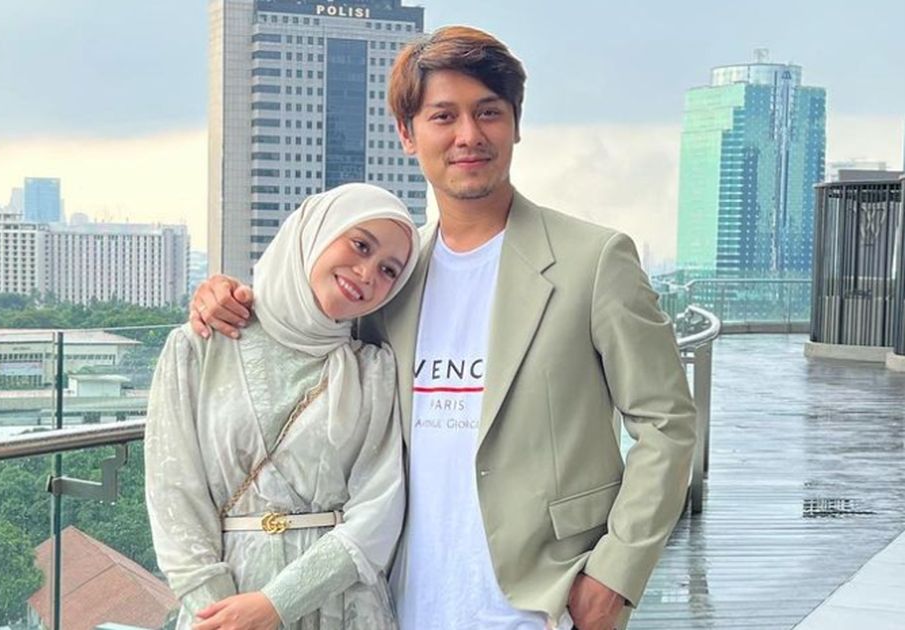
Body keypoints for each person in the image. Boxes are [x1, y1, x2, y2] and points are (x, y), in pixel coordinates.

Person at [191, 26, 696, 630]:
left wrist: (615, 574)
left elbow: (667, 423)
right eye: (443, 116)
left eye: (489, 112)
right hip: (400, 603)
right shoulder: (390, 280)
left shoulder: (593, 260)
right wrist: (225, 299)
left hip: (544, 605)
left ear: (515, 124)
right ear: (408, 134)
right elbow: (301, 337)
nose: (469, 135)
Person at [145, 183, 420, 630]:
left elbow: (379, 508)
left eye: (389, 269)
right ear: (314, 233)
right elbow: (173, 494)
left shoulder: (372, 371)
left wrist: (278, 603)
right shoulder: (201, 346)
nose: (367, 272)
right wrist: (215, 610)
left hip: (342, 605)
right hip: (224, 605)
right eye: (360, 245)